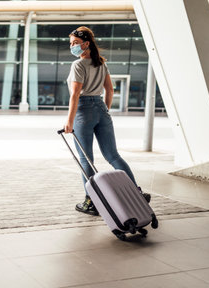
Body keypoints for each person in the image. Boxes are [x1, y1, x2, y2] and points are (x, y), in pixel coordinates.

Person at [64, 27, 150, 215]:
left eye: (75, 43)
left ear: (86, 44)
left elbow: (75, 94)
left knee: (86, 159)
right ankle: (136, 192)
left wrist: (69, 121)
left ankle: (92, 201)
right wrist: (103, 111)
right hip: (101, 108)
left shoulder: (78, 65)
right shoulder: (101, 64)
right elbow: (110, 90)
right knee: (113, 156)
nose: (72, 46)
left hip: (83, 111)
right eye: (71, 43)